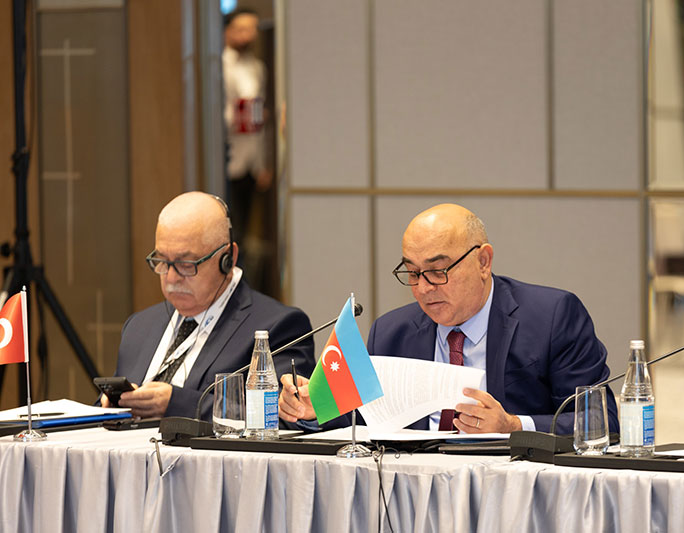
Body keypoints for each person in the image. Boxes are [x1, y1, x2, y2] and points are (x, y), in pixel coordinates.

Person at [278, 203, 618, 435]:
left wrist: (513, 426)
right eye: (413, 273)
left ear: (483, 262)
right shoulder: (392, 332)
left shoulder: (551, 317)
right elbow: (364, 417)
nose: (424, 288)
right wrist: (315, 408)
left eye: (438, 271)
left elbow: (600, 420)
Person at [102, 192, 314, 420]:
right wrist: (111, 405)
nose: (171, 278)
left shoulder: (277, 328)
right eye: (162, 261)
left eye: (186, 264)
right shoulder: (138, 326)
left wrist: (176, 404)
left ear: (228, 258)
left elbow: (281, 418)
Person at [222, 8, 273, 252]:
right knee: (229, 225)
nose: (247, 36)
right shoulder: (219, 65)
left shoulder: (257, 68)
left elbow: (260, 118)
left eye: (251, 30)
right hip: (228, 153)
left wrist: (264, 162)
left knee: (246, 226)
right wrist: (239, 116)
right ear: (227, 31)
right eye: (241, 30)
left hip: (251, 157)